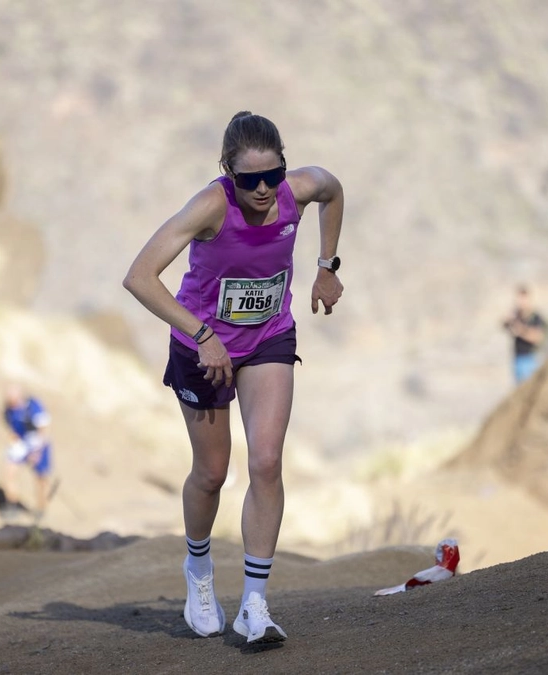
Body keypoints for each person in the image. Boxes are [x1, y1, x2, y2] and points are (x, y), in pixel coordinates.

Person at [123, 111, 344, 644]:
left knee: (266, 461)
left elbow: (333, 191)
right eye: (249, 180)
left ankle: (254, 605)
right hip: (203, 348)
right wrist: (202, 335)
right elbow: (139, 278)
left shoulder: (299, 189)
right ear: (228, 172)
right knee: (212, 473)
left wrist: (327, 266)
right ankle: (198, 574)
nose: (264, 189)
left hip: (269, 338)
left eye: (273, 174)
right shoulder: (210, 206)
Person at [2, 383, 55, 514]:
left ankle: (42, 509)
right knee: (9, 472)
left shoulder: (33, 406)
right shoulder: (8, 410)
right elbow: (12, 428)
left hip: (38, 444)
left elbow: (44, 430)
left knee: (41, 480)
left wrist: (37, 452)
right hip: (21, 445)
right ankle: (12, 504)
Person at [502, 285, 548, 384]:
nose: (521, 302)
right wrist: (508, 321)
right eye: (519, 299)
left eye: (523, 299)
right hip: (517, 358)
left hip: (530, 358)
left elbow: (537, 337)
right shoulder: (516, 316)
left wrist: (521, 331)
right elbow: (504, 325)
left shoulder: (535, 317)